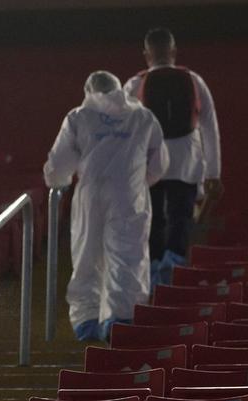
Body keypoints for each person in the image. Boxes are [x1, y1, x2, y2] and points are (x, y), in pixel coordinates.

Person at [44, 70, 168, 342]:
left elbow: (57, 166)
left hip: (91, 193)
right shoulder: (143, 117)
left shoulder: (78, 117)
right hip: (128, 195)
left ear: (89, 91)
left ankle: (87, 321)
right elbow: (160, 163)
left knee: (87, 255)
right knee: (126, 257)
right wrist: (138, 181)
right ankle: (119, 320)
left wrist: (59, 180)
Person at [125, 27, 222, 286]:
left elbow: (124, 133)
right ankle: (174, 271)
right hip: (186, 162)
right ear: (174, 52)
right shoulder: (194, 80)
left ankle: (155, 273)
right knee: (180, 219)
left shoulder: (135, 85)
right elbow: (210, 128)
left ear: (146, 54)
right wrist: (214, 173)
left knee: (153, 220)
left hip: (150, 164)